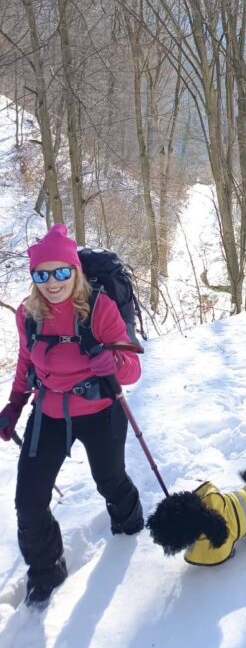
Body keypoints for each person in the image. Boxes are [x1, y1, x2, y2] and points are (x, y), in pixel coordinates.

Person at [0, 224, 144, 607]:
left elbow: (132, 369)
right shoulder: (28, 314)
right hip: (49, 411)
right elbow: (27, 362)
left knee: (111, 481)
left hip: (100, 410)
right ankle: (46, 573)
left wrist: (112, 362)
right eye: (42, 274)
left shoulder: (99, 308)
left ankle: (131, 534)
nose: (52, 282)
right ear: (33, 278)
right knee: (29, 501)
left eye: (61, 272)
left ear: (75, 271)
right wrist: (15, 405)